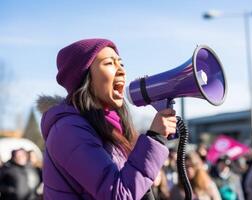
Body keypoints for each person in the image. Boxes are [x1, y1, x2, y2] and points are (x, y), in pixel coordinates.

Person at [37, 38, 177, 199]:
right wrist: (155, 138)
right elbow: (118, 194)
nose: (122, 71)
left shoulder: (110, 127)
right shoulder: (68, 130)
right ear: (84, 78)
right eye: (109, 63)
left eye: (121, 64)